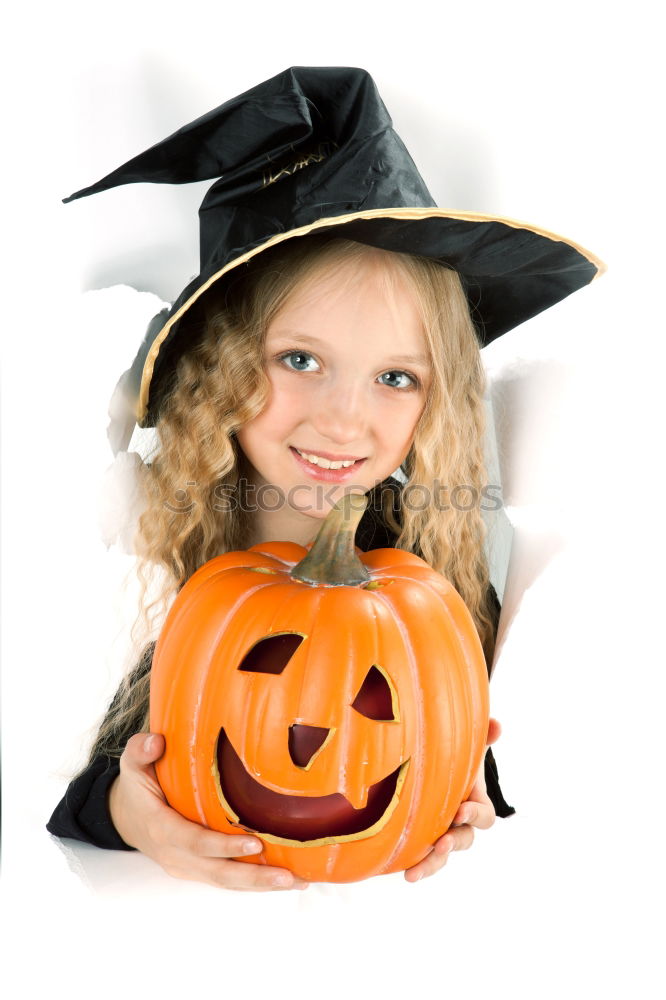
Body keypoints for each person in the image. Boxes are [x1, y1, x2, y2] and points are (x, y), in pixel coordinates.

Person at [47, 65, 603, 891]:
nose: (345, 421)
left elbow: (453, 741)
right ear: (220, 367)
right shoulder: (149, 545)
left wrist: (470, 792)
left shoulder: (431, 570)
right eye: (300, 360)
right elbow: (65, 780)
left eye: (395, 378)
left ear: (434, 400)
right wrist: (131, 813)